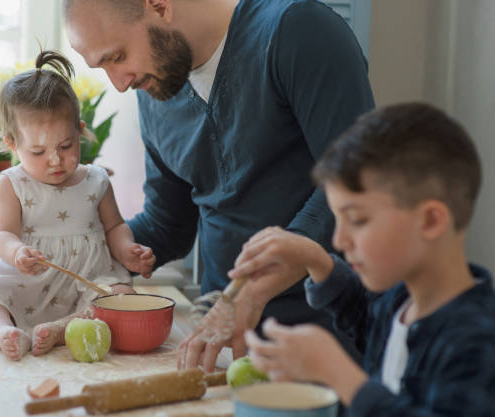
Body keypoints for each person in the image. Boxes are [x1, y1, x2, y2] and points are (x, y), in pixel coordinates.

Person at [63, 0, 374, 371]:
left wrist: (251, 291)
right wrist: (70, 248)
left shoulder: (298, 31)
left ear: (160, 6)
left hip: (328, 338)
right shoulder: (156, 91)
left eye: (117, 56)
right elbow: (168, 226)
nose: (119, 83)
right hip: (220, 342)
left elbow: (359, 181)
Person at [229, 102, 495, 415]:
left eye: (357, 219)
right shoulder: (402, 300)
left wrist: (340, 375)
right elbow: (362, 311)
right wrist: (314, 258)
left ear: (431, 221)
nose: (340, 240)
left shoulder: (477, 340)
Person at [0, 50, 156, 361]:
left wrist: (127, 251)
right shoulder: (12, 183)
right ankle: (2, 331)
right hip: (27, 277)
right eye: (37, 151)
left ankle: (63, 328)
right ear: (13, 144)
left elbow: (115, 226)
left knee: (120, 297)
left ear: (80, 129)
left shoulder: (96, 180)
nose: (55, 160)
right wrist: (17, 253)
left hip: (86, 275)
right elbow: (3, 234)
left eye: (66, 145)